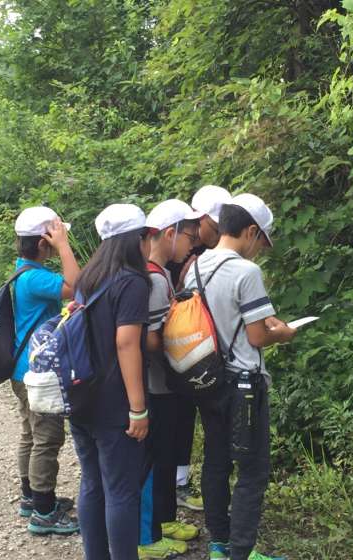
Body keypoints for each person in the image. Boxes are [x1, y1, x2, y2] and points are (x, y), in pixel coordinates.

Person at [183, 194, 297, 560]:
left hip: (208, 380)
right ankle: (243, 553)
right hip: (244, 383)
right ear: (250, 231)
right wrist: (284, 333)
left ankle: (219, 543)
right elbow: (258, 336)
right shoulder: (247, 272)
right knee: (252, 469)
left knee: (216, 461)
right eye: (261, 240)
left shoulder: (195, 267)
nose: (260, 249)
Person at [70, 204, 153, 560]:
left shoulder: (88, 278)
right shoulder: (132, 282)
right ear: (136, 240)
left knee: (92, 483)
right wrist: (138, 408)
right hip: (115, 403)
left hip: (81, 395)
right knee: (121, 491)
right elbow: (126, 343)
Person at [138, 199, 202, 560]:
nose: (192, 244)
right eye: (189, 236)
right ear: (169, 234)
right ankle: (148, 536)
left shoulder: (160, 273)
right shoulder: (153, 278)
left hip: (162, 384)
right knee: (154, 461)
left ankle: (164, 520)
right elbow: (151, 338)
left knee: (165, 457)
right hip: (155, 385)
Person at [12, 206, 80, 535]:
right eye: (54, 237)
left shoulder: (22, 270)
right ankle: (44, 511)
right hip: (38, 374)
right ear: (43, 242)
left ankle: (31, 497)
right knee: (47, 439)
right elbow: (76, 285)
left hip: (22, 370)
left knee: (31, 433)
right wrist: (64, 246)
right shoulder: (35, 277)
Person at [168, 185, 232, 511]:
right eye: (215, 226)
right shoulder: (177, 246)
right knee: (178, 412)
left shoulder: (209, 250)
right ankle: (175, 485)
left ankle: (181, 479)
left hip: (204, 347)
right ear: (201, 219)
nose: (219, 233)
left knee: (191, 413)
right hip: (178, 346)